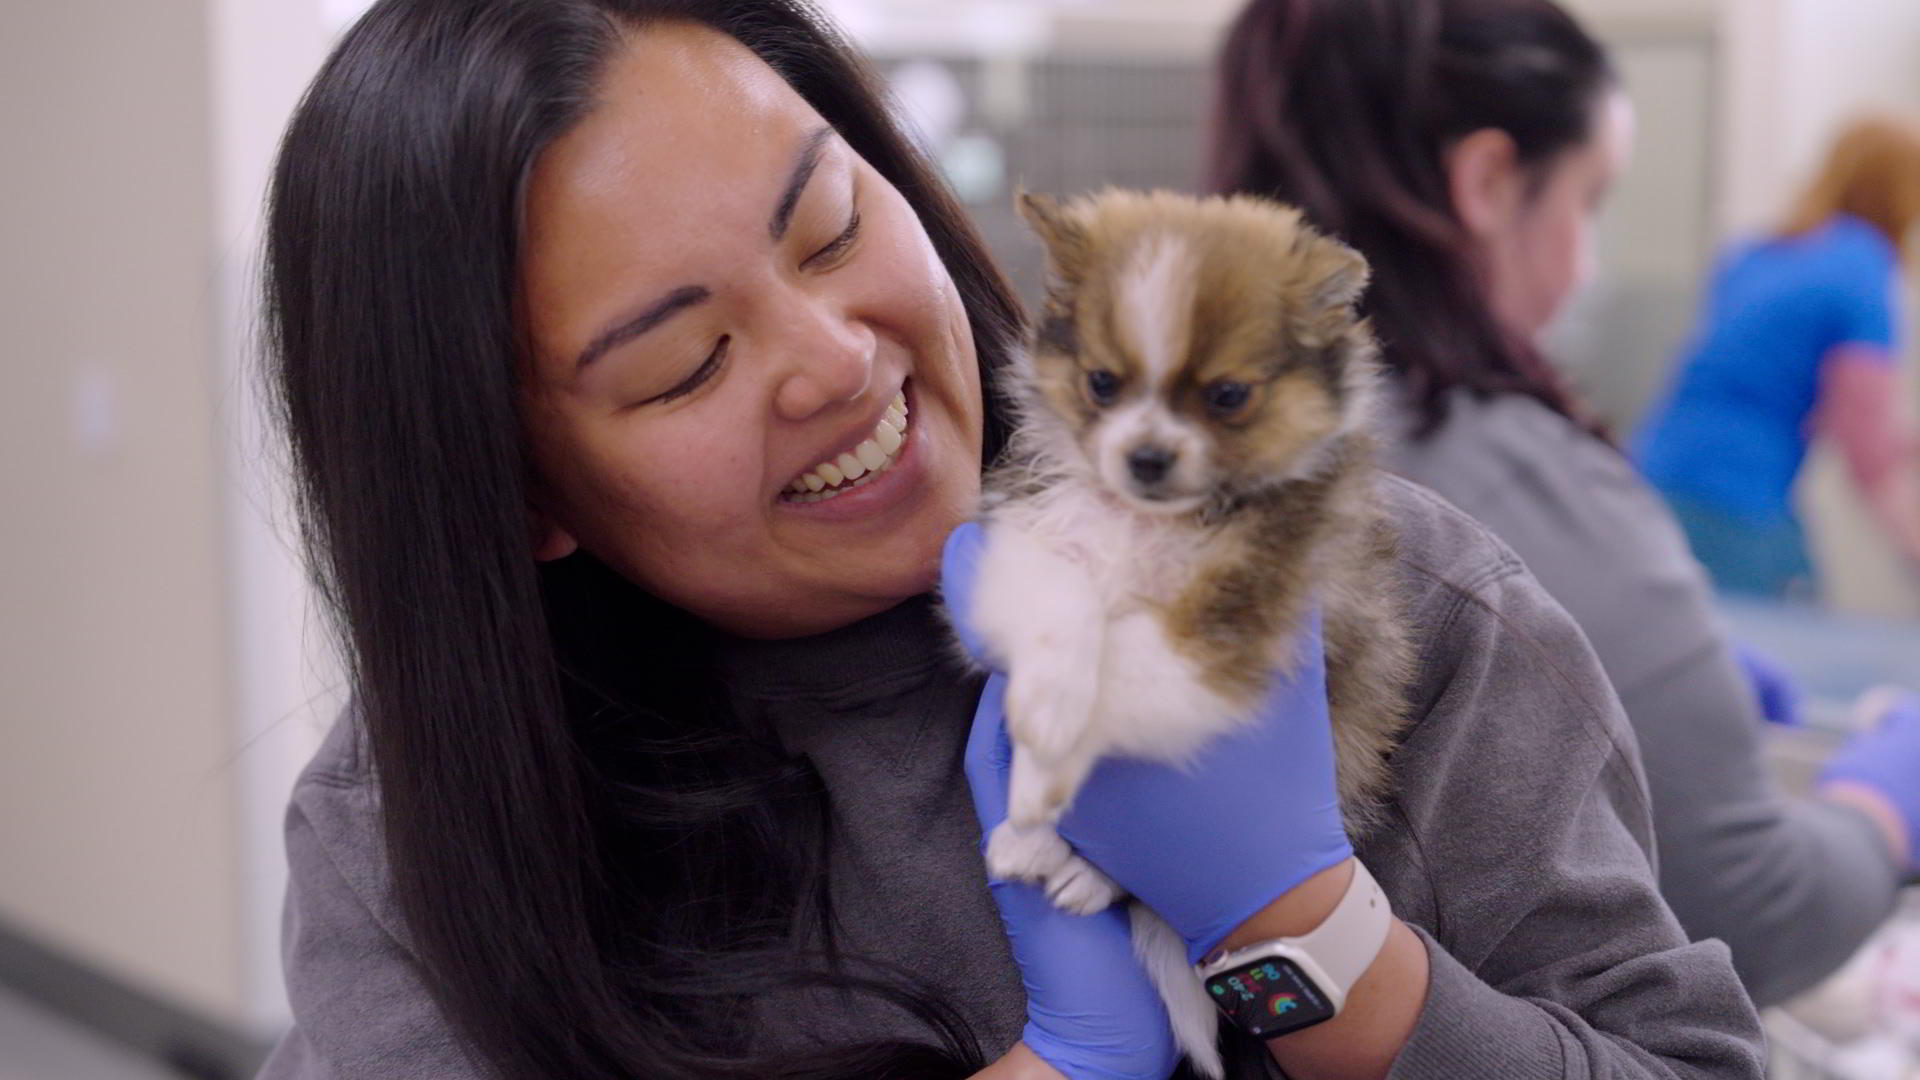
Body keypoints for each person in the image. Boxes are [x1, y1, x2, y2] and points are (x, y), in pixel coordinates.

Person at [255, 1, 1766, 1078]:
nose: (837, 360)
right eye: (684, 366)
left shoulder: (1378, 605)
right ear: (522, 498)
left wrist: (1314, 943)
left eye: (832, 226)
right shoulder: (430, 825)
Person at [1208, 0, 1920, 1011]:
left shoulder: (1214, 449)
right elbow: (1748, 917)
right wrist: (1886, 803)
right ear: (1491, 182)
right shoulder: (1509, 480)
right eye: (1589, 202)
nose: (1586, 264)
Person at [1636, 113, 1920, 598]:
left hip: (1652, 477)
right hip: (1733, 503)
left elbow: (1780, 393)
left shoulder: (1754, 253)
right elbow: (1865, 453)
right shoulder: (1863, 270)